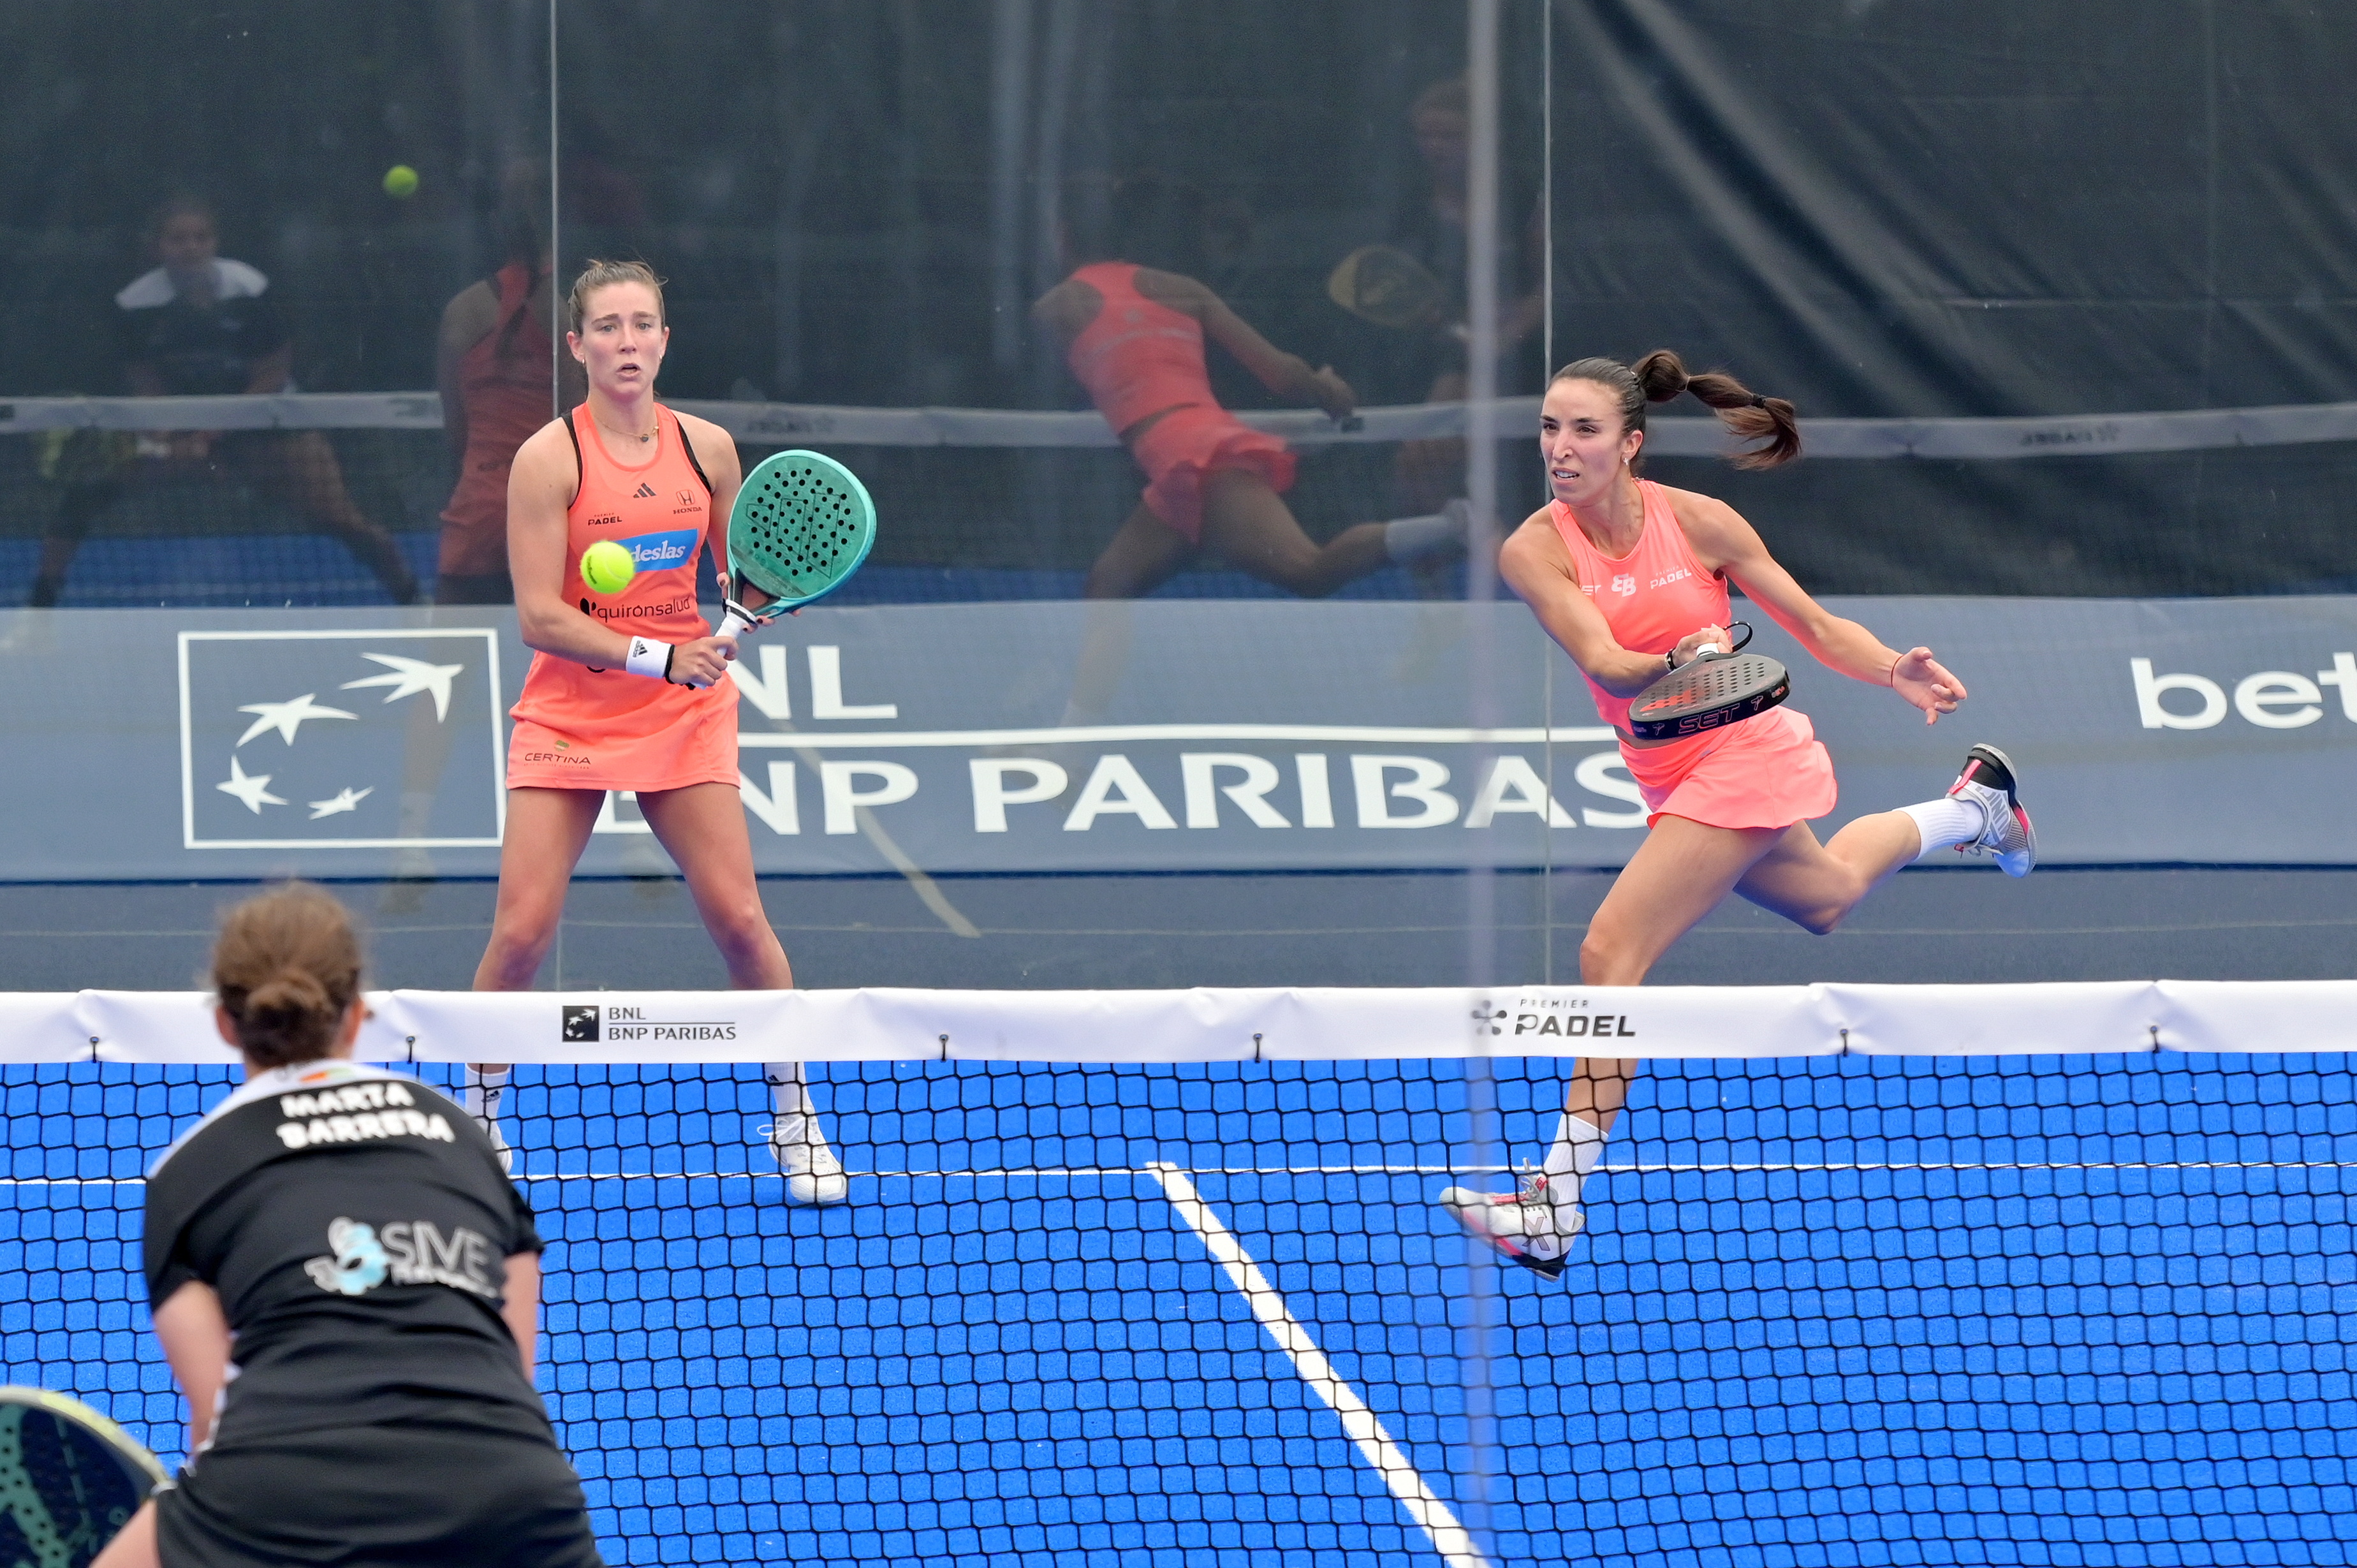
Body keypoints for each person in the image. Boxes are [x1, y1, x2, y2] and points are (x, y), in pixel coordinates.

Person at [1435, 352, 2036, 1279]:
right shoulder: (1535, 547)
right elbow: (1602, 659)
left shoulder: (1702, 521)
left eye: (1584, 429)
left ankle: (1554, 1200)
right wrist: (1677, 653)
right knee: (1827, 894)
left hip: (1745, 751)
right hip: (1666, 765)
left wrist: (1892, 668)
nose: (1560, 447)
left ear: (1630, 443)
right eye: (1550, 427)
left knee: (1610, 950)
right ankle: (1976, 807)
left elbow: (1818, 626)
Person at [463, 258, 845, 1207]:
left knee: (742, 921)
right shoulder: (547, 459)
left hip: (685, 713)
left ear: (664, 341)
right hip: (570, 710)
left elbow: (751, 573)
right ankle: (472, 1116)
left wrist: (746, 616)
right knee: (520, 930)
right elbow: (540, 618)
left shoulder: (710, 448)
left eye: (642, 325)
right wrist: (656, 655)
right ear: (578, 345)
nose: (626, 341)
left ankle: (796, 1116)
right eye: (608, 327)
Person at [92, 882, 601, 1568]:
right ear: (358, 1014)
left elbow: (215, 1419)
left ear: (224, 1021)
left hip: (283, 1491)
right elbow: (514, 1370)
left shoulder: (188, 1173)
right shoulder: (462, 1133)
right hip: (511, 1490)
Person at [1033, 174, 1469, 605]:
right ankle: (1085, 680)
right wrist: (1322, 385)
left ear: (1061, 236)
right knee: (1106, 587)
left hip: (1198, 459)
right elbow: (1281, 373)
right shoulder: (1183, 290)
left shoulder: (1055, 307)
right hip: (1179, 465)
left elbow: (1055, 387)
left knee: (1309, 570)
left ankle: (1447, 528)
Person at [31, 195, 419, 608]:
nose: (190, 248)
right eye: (177, 239)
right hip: (182, 426)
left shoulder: (249, 290)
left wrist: (211, 432)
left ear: (215, 242)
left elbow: (271, 374)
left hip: (266, 425)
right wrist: (170, 434)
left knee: (340, 517)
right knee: (86, 495)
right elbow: (147, 383)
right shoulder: (135, 304)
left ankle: (411, 596)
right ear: (156, 247)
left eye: (201, 237)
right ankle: (39, 606)